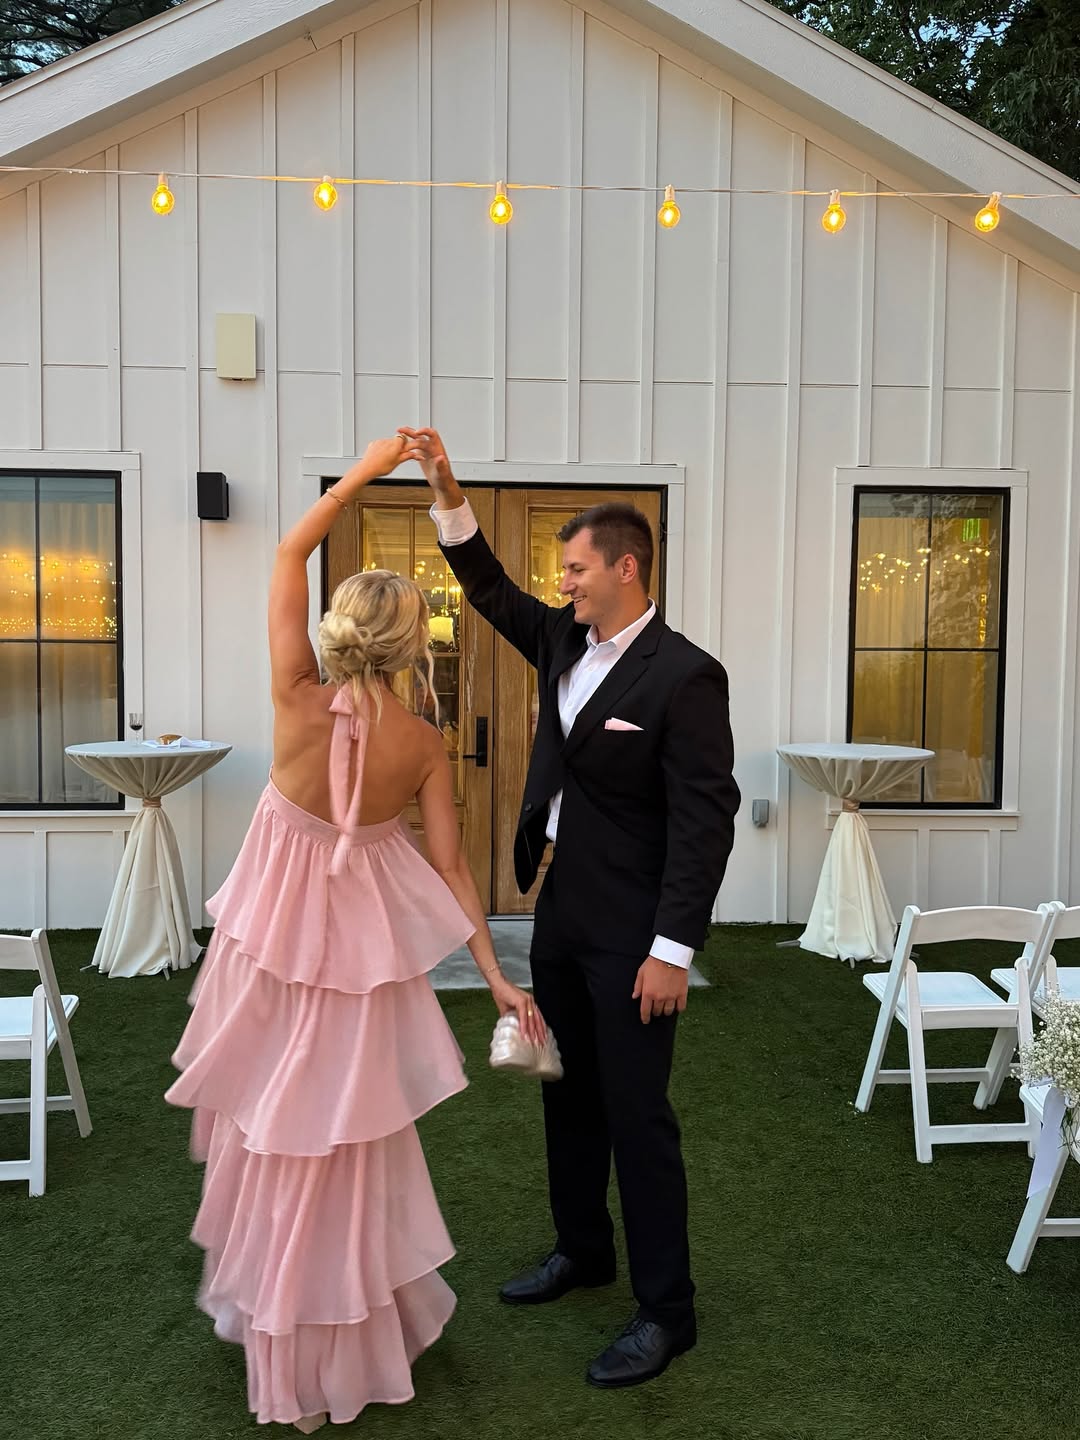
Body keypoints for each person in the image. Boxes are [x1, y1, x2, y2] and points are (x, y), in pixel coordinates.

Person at [165, 435, 544, 1433]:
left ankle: (279, 1327)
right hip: (362, 960)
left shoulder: (296, 699)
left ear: (342, 633)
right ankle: (337, 1329)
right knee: (349, 1141)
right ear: (415, 645)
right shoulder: (423, 744)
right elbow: (455, 869)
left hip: (275, 945)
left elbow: (287, 558)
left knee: (278, 1133)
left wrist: (363, 473)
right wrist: (498, 976)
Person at [401, 426, 740, 1390]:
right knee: (567, 1094)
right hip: (563, 916)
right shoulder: (560, 637)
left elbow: (704, 821)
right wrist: (446, 488)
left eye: (580, 569)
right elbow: (489, 587)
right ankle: (582, 1251)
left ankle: (667, 1311)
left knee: (639, 1116)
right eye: (564, 571)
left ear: (628, 569)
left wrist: (672, 948)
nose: (566, 584)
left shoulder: (685, 676)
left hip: (638, 931)